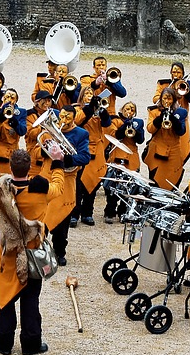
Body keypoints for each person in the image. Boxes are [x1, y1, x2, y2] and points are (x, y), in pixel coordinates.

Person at [0, 149, 65, 355]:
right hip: (32, 252)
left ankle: (3, 343)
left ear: (10, 168)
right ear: (30, 167)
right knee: (31, 299)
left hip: (6, 252)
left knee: (5, 298)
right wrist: (57, 162)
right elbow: (59, 186)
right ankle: (31, 344)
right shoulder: (40, 188)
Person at [38, 105, 90, 266]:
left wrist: (66, 159)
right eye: (62, 116)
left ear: (74, 118)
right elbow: (34, 152)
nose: (64, 120)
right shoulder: (48, 132)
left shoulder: (81, 133)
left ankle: (60, 251)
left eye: (68, 117)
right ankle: (39, 250)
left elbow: (85, 157)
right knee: (42, 218)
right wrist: (46, 150)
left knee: (62, 222)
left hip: (67, 180)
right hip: (48, 177)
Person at [74, 87, 111, 226]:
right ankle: (74, 213)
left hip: (97, 149)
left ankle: (88, 213)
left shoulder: (99, 110)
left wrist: (102, 110)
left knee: (94, 182)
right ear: (82, 97)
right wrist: (89, 108)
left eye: (91, 93)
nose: (89, 96)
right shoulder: (79, 110)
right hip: (82, 148)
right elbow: (78, 121)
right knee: (79, 184)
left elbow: (107, 124)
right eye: (86, 94)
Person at [103, 102, 144, 224]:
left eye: (132, 109)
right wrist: (124, 125)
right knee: (114, 185)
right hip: (118, 153)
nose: (129, 111)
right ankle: (109, 211)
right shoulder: (116, 120)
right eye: (127, 109)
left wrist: (137, 130)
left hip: (131, 155)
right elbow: (116, 135)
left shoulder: (138, 122)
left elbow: (140, 140)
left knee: (130, 185)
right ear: (122, 109)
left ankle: (123, 211)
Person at [145, 87, 187, 189]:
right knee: (154, 181)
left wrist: (173, 119)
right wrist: (159, 119)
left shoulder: (180, 112)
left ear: (174, 100)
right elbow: (150, 129)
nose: (167, 101)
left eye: (169, 99)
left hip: (173, 151)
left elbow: (181, 131)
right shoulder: (154, 111)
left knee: (172, 180)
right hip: (156, 150)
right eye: (164, 98)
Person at [0, 87, 25, 175]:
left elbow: (23, 131)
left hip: (11, 157)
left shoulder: (20, 113)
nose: (9, 100)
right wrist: (0, 117)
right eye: (7, 97)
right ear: (2, 98)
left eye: (12, 98)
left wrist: (14, 120)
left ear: (15, 101)